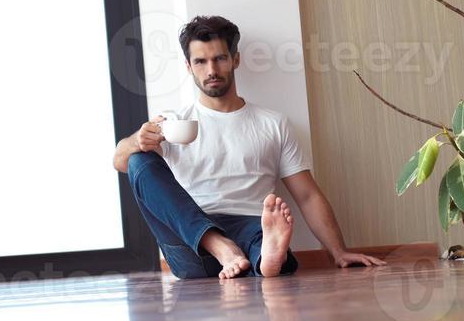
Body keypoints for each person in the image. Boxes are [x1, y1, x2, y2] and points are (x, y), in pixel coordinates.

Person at [112, 16, 385, 279]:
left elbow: (307, 195)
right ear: (188, 66)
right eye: (201, 61)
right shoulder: (172, 123)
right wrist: (137, 141)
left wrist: (338, 252)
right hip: (191, 241)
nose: (211, 70)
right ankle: (222, 246)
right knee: (139, 161)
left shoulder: (272, 124)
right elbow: (120, 162)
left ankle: (267, 262)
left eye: (219, 58)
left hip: (251, 226)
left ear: (235, 59)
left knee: (263, 240)